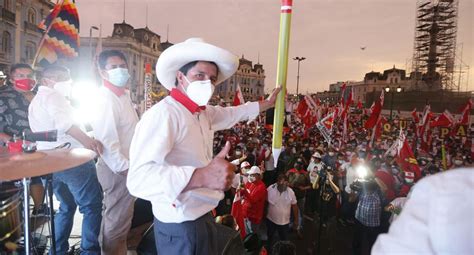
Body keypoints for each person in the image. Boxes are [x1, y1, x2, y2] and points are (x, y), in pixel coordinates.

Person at [127, 38, 280, 255]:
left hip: (201, 217)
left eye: (212, 79)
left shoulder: (202, 113)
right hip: (180, 226)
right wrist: (201, 177)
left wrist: (266, 104)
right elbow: (138, 179)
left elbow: (232, 113)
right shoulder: (164, 115)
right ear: (180, 76)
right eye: (199, 76)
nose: (206, 83)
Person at [28, 65, 104, 254]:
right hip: (69, 159)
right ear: (47, 80)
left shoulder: (36, 101)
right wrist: (89, 141)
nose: (67, 83)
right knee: (92, 206)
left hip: (47, 161)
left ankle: (58, 249)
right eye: (62, 78)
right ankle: (89, 251)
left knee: (66, 205)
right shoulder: (53, 96)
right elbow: (65, 124)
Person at [89, 49, 139, 255]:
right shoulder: (105, 99)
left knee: (121, 220)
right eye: (113, 67)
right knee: (116, 222)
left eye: (123, 66)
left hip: (127, 166)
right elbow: (107, 143)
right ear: (103, 72)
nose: (120, 70)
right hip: (118, 170)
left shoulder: (123, 96)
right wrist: (126, 170)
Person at [372, 168, 474, 255]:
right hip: (394, 227)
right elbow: (387, 208)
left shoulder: (429, 207)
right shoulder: (400, 201)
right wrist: (398, 210)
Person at [0, 63, 45, 215]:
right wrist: (8, 139)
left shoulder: (40, 95)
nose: (26, 79)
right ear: (11, 78)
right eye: (21, 76)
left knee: (36, 177)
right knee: (14, 186)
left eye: (29, 76)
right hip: (10, 148)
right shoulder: (3, 95)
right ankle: (16, 217)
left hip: (37, 146)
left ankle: (38, 210)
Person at [266, 174, 298, 252]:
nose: (281, 184)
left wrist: (296, 220)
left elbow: (294, 206)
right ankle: (269, 251)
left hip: (284, 222)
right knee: (270, 237)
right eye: (279, 182)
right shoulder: (270, 188)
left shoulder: (291, 192)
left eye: (284, 182)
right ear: (277, 181)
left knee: (284, 241)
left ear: (287, 183)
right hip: (271, 220)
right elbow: (265, 201)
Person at [241, 166, 268, 238]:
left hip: (253, 217)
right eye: (249, 175)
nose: (250, 177)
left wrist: (244, 191)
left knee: (253, 235)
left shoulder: (261, 187)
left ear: (258, 176)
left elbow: (252, 200)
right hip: (246, 214)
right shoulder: (249, 183)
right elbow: (244, 192)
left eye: (252, 175)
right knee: (247, 233)